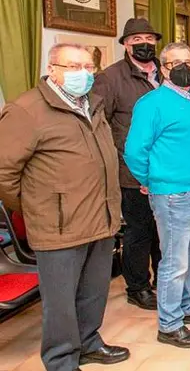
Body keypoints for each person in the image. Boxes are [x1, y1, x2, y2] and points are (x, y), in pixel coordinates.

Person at [0, 43, 130, 370]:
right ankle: (61, 360)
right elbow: (3, 171)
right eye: (73, 67)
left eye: (88, 67)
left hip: (100, 219)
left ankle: (88, 342)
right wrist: (36, 207)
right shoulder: (27, 110)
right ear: (53, 69)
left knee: (93, 292)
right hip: (57, 226)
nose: (83, 74)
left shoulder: (94, 106)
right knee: (60, 303)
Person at [124, 43, 190, 349]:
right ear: (162, 67)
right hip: (172, 194)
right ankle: (169, 324)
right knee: (174, 262)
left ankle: (189, 306)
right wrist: (151, 180)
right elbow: (134, 151)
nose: (183, 67)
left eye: (187, 62)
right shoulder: (152, 103)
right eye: (174, 63)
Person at [92, 18, 161, 310]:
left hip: (166, 168)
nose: (144, 44)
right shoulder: (110, 78)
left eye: (149, 38)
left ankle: (164, 278)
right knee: (139, 230)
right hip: (132, 172)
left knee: (164, 230)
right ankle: (138, 286)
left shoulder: (165, 73)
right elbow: (100, 123)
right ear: (125, 44)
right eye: (136, 40)